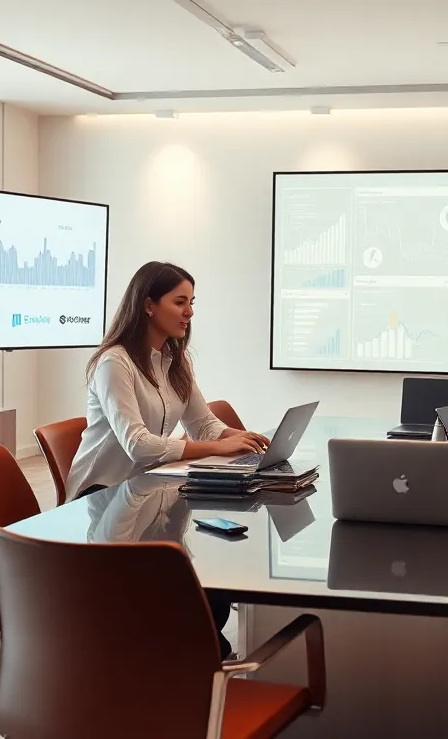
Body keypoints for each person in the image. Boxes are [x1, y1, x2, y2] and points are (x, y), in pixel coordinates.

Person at [66, 260, 269, 658]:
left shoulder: (176, 362)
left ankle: (189, 666)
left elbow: (204, 423)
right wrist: (216, 447)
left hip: (150, 494)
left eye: (192, 302)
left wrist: (237, 437)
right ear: (148, 304)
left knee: (212, 589)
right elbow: (139, 445)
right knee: (197, 597)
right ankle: (192, 669)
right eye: (180, 302)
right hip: (103, 497)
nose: (189, 312)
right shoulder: (114, 363)